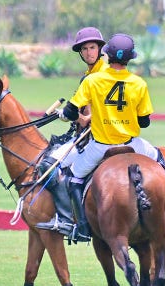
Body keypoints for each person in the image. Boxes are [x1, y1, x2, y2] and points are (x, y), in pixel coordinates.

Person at [41, 33, 165, 243]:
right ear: (130, 58)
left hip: (100, 146)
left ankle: (81, 227)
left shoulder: (92, 80)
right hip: (132, 144)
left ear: (105, 54)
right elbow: (144, 122)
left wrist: (66, 115)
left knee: (73, 178)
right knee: (160, 162)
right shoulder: (140, 83)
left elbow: (71, 112)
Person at [36, 27, 108, 240]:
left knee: (47, 165)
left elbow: (90, 118)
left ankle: (68, 220)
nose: (88, 52)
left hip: (94, 137)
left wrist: (69, 116)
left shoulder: (100, 76)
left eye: (92, 47)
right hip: (91, 134)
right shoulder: (91, 74)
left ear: (100, 48)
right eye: (84, 49)